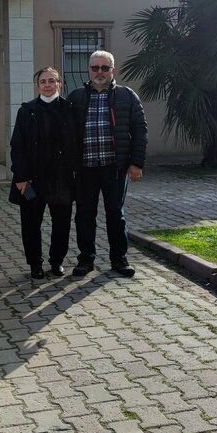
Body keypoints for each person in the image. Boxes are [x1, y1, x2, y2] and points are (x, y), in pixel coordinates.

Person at [68, 50, 148, 278]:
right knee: (84, 215)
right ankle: (85, 260)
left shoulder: (127, 96)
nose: (100, 72)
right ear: (89, 70)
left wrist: (136, 163)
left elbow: (140, 130)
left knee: (115, 214)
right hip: (85, 168)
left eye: (105, 67)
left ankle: (119, 259)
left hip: (116, 168)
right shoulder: (77, 97)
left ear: (112, 70)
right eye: (95, 68)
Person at [9, 67, 76, 280]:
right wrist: (20, 177)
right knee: (30, 226)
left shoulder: (70, 109)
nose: (47, 85)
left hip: (61, 179)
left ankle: (56, 262)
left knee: (62, 224)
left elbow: (77, 144)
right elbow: (16, 146)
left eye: (52, 81)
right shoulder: (26, 111)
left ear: (59, 84)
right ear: (37, 86)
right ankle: (34, 264)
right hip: (31, 179)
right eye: (43, 81)